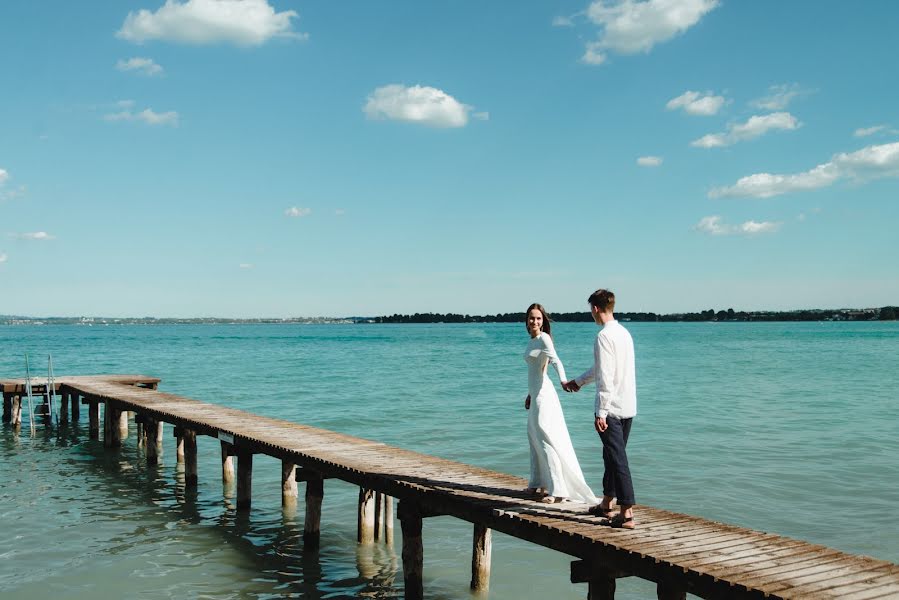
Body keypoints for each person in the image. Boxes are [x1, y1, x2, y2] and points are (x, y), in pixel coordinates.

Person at [562, 289, 637, 528]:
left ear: (595, 308)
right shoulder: (624, 333)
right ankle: (607, 503)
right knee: (611, 455)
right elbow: (602, 368)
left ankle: (626, 512)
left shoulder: (603, 336)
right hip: (628, 405)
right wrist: (579, 381)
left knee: (617, 458)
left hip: (612, 408)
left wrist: (601, 411)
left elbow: (606, 376)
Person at [523, 303, 598, 505]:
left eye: (538, 318)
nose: (535, 321)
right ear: (527, 320)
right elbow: (538, 371)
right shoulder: (532, 341)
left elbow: (555, 360)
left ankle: (558, 490)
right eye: (532, 318)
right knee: (533, 435)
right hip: (536, 392)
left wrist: (563, 381)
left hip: (545, 395)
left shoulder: (544, 338)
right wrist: (529, 394)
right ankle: (538, 482)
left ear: (543, 321)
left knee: (546, 437)